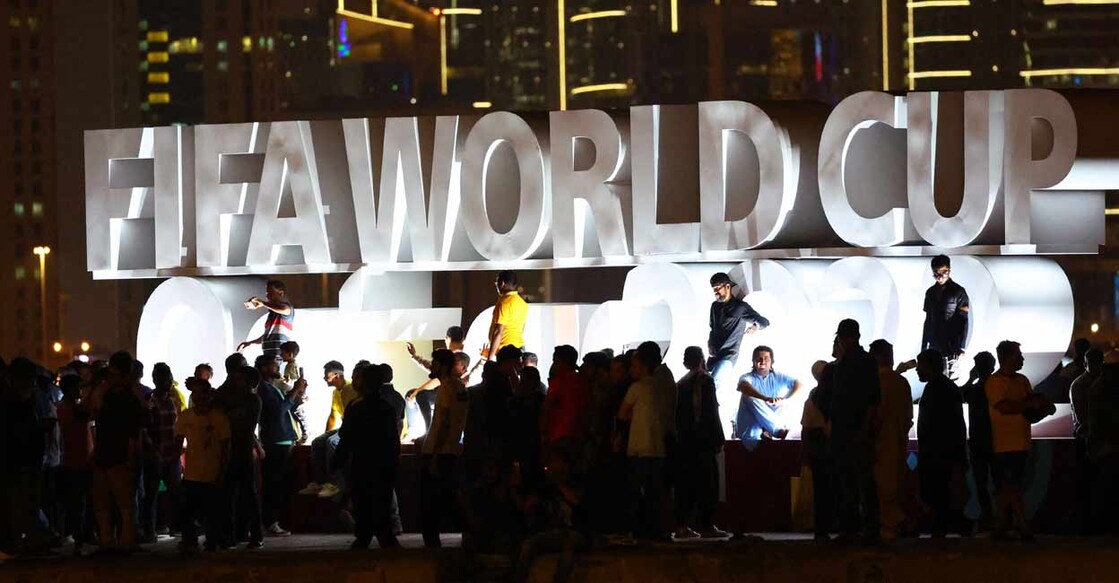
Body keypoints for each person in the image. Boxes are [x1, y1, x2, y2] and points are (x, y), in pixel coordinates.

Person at [819, 320, 881, 544]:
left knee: (857, 479)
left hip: (852, 428)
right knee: (853, 479)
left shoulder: (856, 363)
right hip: (848, 428)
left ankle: (859, 527)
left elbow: (872, 400)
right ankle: (858, 527)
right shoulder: (856, 362)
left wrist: (864, 429)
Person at [332, 366, 402, 550]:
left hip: (362, 461)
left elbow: (346, 437)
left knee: (363, 501)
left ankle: (364, 535)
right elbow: (393, 440)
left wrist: (337, 461)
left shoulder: (356, 407)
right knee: (381, 500)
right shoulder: (386, 407)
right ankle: (384, 536)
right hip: (383, 462)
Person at [985, 340, 1040, 541]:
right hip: (1004, 444)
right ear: (1007, 358)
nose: (1022, 358)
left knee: (1007, 486)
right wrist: (1028, 405)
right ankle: (1022, 524)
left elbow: (1027, 405)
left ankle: (1001, 525)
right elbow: (1004, 407)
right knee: (1011, 484)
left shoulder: (1022, 380)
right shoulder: (995, 382)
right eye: (1018, 355)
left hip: (1021, 442)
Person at [617, 341, 671, 541]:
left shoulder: (637, 387)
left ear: (643, 366)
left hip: (639, 447)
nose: (631, 370)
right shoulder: (662, 385)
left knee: (636, 491)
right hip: (658, 447)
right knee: (655, 492)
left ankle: (638, 531)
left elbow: (622, 414)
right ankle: (657, 530)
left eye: (634, 366)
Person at [2, 358, 56, 555]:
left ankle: (30, 541)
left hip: (28, 460)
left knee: (28, 503)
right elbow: (17, 432)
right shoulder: (14, 403)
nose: (32, 385)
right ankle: (24, 542)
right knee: (21, 504)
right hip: (18, 460)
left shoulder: (28, 400)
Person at [707, 272, 770, 438]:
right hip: (714, 357)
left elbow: (764, 322)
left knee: (711, 387)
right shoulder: (715, 307)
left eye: (718, 288)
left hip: (729, 356)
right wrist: (710, 343)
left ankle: (716, 426)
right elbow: (712, 328)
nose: (716, 292)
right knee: (710, 387)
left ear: (728, 287)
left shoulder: (740, 307)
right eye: (714, 289)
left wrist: (756, 326)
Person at [673, 346, 727, 540]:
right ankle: (706, 525)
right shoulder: (705, 380)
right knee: (708, 484)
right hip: (703, 440)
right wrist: (718, 437)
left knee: (686, 484)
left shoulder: (681, 383)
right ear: (702, 359)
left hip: (685, 441)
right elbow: (710, 411)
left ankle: (682, 525)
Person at [419, 349, 469, 548]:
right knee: (449, 498)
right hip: (450, 451)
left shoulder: (448, 388)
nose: (432, 366)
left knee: (431, 502)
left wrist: (433, 455)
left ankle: (432, 545)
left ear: (443, 366)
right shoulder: (459, 388)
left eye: (435, 363)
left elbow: (444, 424)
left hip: (439, 452)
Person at [174, 378, 231, 555]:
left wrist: (222, 471)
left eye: (202, 393)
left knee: (211, 511)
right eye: (195, 393)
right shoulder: (186, 416)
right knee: (189, 511)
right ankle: (191, 540)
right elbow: (178, 443)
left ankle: (211, 541)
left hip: (211, 471)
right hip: (192, 472)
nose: (198, 397)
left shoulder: (218, 417)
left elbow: (225, 446)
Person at [915, 349, 968, 537]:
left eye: (919, 365)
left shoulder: (935, 389)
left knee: (938, 496)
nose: (917, 370)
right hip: (945, 454)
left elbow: (938, 426)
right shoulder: (947, 388)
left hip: (938, 455)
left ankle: (941, 531)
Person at [256, 354, 307, 537]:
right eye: (274, 366)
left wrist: (297, 395)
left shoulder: (271, 388)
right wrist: (295, 391)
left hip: (282, 440)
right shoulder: (264, 389)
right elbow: (278, 411)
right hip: (275, 441)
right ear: (264, 369)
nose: (278, 369)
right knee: (274, 484)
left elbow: (286, 408)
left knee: (280, 484)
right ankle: (271, 522)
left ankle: (276, 521)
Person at [868, 339, 913, 540]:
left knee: (881, 486)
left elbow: (874, 415)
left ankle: (894, 523)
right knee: (895, 482)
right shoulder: (901, 382)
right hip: (898, 440)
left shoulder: (875, 382)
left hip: (879, 441)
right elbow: (908, 417)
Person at [299, 361, 358, 499]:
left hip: (351, 429)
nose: (324, 378)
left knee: (331, 442)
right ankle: (319, 482)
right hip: (344, 427)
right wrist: (324, 433)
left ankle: (335, 483)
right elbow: (333, 416)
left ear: (336, 375)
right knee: (317, 442)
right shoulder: (336, 392)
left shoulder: (349, 389)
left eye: (327, 375)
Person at [222, 365, 265, 549]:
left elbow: (244, 427)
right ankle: (235, 535)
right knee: (233, 495)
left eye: (238, 379)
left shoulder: (252, 400)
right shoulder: (241, 399)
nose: (234, 382)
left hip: (243, 451)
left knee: (247, 494)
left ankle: (255, 534)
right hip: (237, 451)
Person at [142, 363, 181, 542]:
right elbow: (145, 428)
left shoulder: (173, 399)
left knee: (175, 493)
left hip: (171, 454)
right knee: (151, 494)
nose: (169, 381)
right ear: (156, 380)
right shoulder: (150, 400)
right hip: (155, 454)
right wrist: (152, 450)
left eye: (169, 377)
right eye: (164, 378)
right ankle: (150, 529)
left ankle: (176, 527)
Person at [56, 375, 94, 555]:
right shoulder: (65, 408)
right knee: (77, 504)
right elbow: (84, 414)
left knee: (81, 504)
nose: (81, 390)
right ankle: (79, 539)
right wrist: (94, 389)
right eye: (78, 386)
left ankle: (80, 538)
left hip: (82, 461)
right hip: (73, 462)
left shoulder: (69, 407)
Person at [735, 346, 801, 448]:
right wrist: (764, 398)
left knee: (782, 400)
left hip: (770, 432)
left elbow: (799, 384)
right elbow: (743, 386)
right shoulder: (747, 377)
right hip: (751, 432)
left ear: (771, 362)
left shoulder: (778, 376)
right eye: (759, 359)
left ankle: (769, 430)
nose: (762, 361)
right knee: (748, 396)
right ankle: (777, 430)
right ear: (753, 361)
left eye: (766, 358)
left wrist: (784, 400)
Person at [961, 351, 997, 531]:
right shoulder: (996, 388)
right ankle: (1000, 516)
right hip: (996, 440)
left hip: (978, 441)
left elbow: (960, 394)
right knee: (999, 481)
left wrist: (970, 379)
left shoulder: (974, 390)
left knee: (981, 482)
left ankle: (987, 514)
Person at [1070, 348, 1104, 533]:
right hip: (1087, 439)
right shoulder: (1082, 385)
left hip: (1089, 437)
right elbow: (1084, 418)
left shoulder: (1080, 384)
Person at [921, 255, 969, 379]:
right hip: (934, 344)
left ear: (949, 270)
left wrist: (961, 346)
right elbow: (928, 320)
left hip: (951, 345)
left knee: (951, 379)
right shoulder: (930, 292)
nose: (940, 276)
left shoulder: (958, 291)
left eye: (943, 272)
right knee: (933, 378)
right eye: (936, 273)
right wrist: (923, 346)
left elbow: (964, 319)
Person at [801, 361, 833, 542]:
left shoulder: (814, 396)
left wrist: (804, 451)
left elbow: (806, 425)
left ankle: (822, 528)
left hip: (817, 446)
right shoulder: (839, 395)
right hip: (831, 446)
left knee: (821, 489)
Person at [542, 345, 591, 459]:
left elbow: (547, 407)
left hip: (558, 435)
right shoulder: (583, 381)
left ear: (563, 363)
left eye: (555, 361)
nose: (553, 365)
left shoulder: (559, 382)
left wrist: (543, 433)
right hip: (578, 435)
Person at [237, 279, 295, 361]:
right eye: (267, 294)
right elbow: (267, 337)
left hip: (279, 356)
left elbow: (284, 309)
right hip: (268, 356)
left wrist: (262, 303)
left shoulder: (288, 308)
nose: (267, 296)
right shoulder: (271, 315)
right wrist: (250, 342)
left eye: (270, 293)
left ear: (281, 293)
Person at [484, 270, 529, 360]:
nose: (496, 286)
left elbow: (498, 332)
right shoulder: (522, 303)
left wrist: (490, 358)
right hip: (519, 348)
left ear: (502, 283)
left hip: (506, 352)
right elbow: (522, 328)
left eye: (496, 283)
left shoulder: (504, 302)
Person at [278, 341, 308, 444]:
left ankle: (305, 433)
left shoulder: (292, 366)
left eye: (283, 353)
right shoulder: (288, 365)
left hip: (295, 395)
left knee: (298, 414)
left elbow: (293, 380)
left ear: (290, 354)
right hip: (292, 394)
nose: (281, 355)